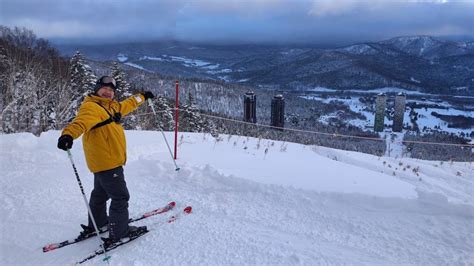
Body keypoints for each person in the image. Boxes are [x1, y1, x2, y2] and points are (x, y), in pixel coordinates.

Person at [57, 76, 155, 245]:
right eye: (104, 89)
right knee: (120, 197)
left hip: (102, 162)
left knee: (100, 194)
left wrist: (143, 96)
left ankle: (99, 223)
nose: (108, 92)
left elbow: (128, 104)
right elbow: (81, 122)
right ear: (97, 89)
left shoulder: (111, 107)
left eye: (111, 90)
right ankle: (120, 233)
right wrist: (67, 134)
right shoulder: (92, 107)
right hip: (108, 162)